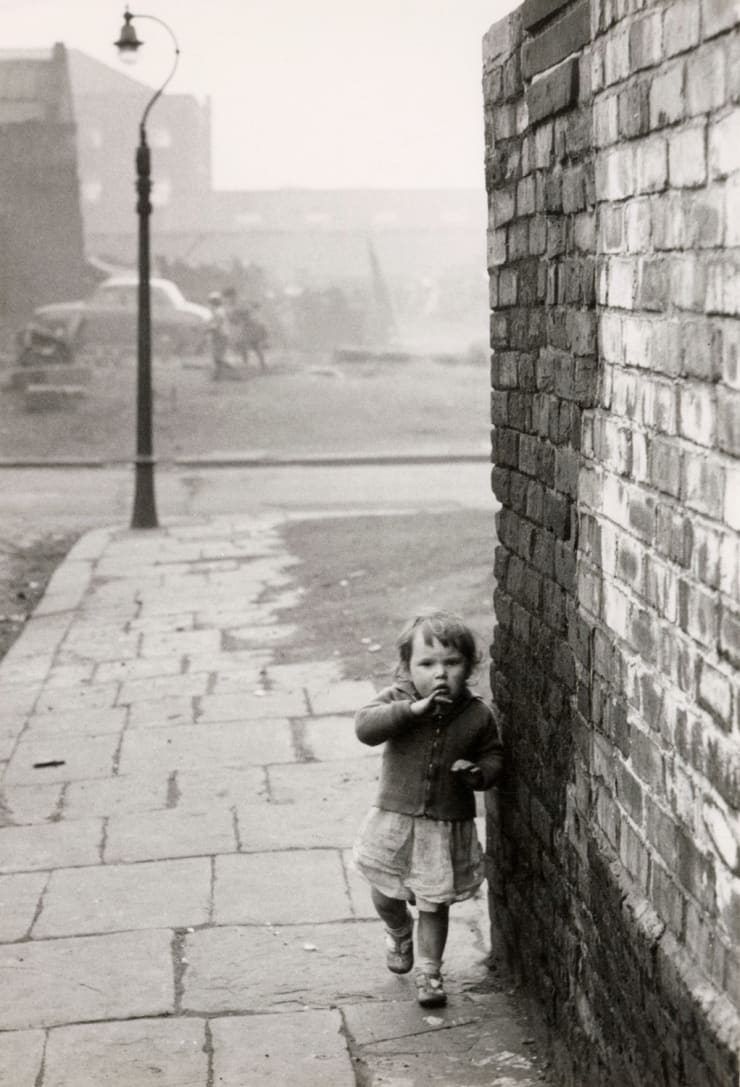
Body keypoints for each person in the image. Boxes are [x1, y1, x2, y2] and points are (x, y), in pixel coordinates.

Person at [352, 609, 503, 1008]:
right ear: (406, 668)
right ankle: (398, 929)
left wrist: (479, 774)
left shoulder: (476, 714)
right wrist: (411, 712)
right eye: (427, 663)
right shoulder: (399, 699)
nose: (440, 673)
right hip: (395, 818)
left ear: (469, 668)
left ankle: (430, 972)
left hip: (444, 825)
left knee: (434, 903)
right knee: (386, 893)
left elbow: (494, 756)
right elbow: (365, 728)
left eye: (452, 663)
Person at [223, 286, 269, 371]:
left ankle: (262, 364)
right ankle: (247, 364)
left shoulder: (241, 301)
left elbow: (248, 310)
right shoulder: (232, 304)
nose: (228, 299)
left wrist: (236, 316)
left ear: (233, 295)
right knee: (243, 345)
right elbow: (233, 318)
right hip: (244, 326)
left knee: (254, 345)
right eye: (227, 298)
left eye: (229, 297)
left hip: (251, 325)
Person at [207, 291, 229, 380]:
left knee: (218, 356)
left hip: (221, 335)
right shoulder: (218, 311)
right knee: (217, 356)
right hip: (220, 335)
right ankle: (218, 374)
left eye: (212, 302)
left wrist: (208, 329)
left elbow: (216, 325)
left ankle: (218, 375)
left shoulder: (219, 312)